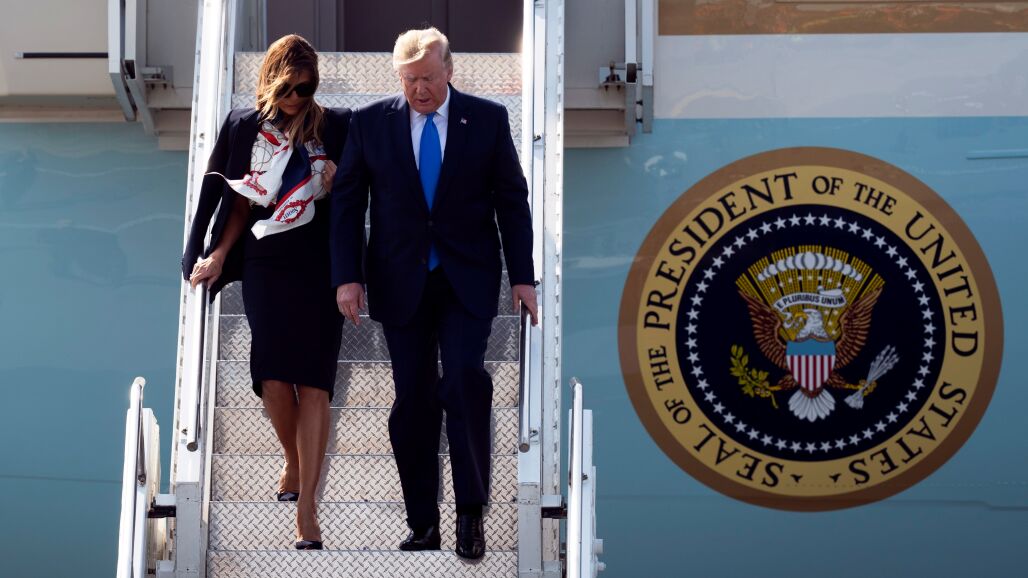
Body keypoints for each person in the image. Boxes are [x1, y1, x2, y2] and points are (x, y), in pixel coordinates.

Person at [330, 27, 538, 560]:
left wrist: (523, 276)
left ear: (449, 70)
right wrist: (347, 276)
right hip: (400, 280)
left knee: (465, 383)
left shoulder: (487, 119)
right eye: (409, 80)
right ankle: (423, 522)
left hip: (465, 277)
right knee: (414, 401)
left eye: (427, 77)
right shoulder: (370, 123)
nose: (419, 89)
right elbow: (348, 204)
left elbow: (512, 200)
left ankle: (470, 513)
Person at [182, 34, 349, 551]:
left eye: (307, 88)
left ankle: (307, 509)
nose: (298, 97)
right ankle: (293, 459)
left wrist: (340, 187)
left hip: (320, 263)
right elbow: (232, 201)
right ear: (272, 82)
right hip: (265, 260)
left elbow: (362, 196)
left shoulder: (335, 126)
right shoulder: (243, 126)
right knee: (273, 379)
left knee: (315, 384)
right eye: (289, 87)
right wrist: (214, 255)